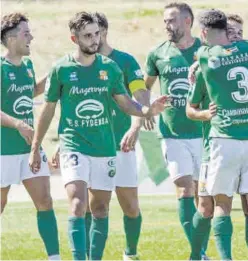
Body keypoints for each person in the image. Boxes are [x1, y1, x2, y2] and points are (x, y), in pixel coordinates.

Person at [28, 12, 167, 260]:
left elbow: (125, 102)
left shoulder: (112, 67)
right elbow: (47, 110)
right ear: (74, 38)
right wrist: (36, 147)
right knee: (78, 204)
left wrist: (146, 111)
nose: (94, 40)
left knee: (101, 208)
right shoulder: (61, 68)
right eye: (88, 36)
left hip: (106, 147)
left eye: (96, 34)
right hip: (74, 145)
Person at [192, 9, 248, 260]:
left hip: (224, 140)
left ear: (204, 33)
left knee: (222, 206)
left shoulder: (205, 55)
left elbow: (202, 56)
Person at [143, 3, 209, 259]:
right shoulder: (157, 53)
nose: (167, 26)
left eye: (171, 20)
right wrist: (146, 107)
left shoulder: (205, 51)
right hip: (173, 134)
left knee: (203, 200)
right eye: (165, 21)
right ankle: (198, 254)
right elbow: (142, 85)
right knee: (184, 190)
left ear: (188, 21)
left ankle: (199, 251)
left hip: (204, 133)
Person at [0, 12, 60, 260]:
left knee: (45, 201)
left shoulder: (28, 66)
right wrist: (18, 125)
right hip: (3, 150)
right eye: (26, 33)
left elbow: (32, 90)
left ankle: (54, 257)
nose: (31, 37)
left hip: (30, 148)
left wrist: (54, 74)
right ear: (11, 39)